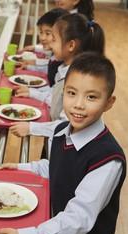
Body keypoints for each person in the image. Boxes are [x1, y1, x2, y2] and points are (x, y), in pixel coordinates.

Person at [0, 52, 127, 234]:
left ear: (109, 103)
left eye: (91, 97)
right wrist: (21, 168)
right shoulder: (61, 130)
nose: (78, 104)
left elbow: (78, 218)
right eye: (71, 93)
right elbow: (57, 166)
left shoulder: (107, 159)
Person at [10, 13, 105, 146]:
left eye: (54, 40)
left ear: (71, 45)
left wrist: (31, 128)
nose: (50, 43)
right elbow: (56, 99)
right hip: (55, 139)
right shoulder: (63, 68)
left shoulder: (76, 80)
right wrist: (32, 93)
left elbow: (66, 124)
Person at [20, 8, 69, 87]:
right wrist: (31, 67)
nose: (42, 38)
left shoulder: (64, 62)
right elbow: (51, 70)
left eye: (48, 34)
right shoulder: (58, 55)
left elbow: (54, 93)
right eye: (41, 32)